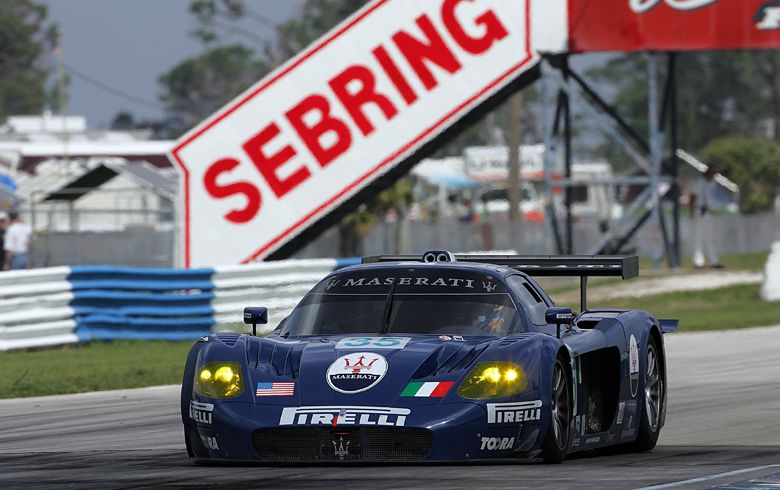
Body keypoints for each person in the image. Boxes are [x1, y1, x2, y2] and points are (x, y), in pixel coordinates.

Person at [689, 167, 724, 269]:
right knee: (698, 238)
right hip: (699, 211)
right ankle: (698, 261)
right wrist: (691, 212)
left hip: (708, 213)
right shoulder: (699, 183)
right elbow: (692, 197)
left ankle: (713, 261)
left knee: (710, 238)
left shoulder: (711, 184)